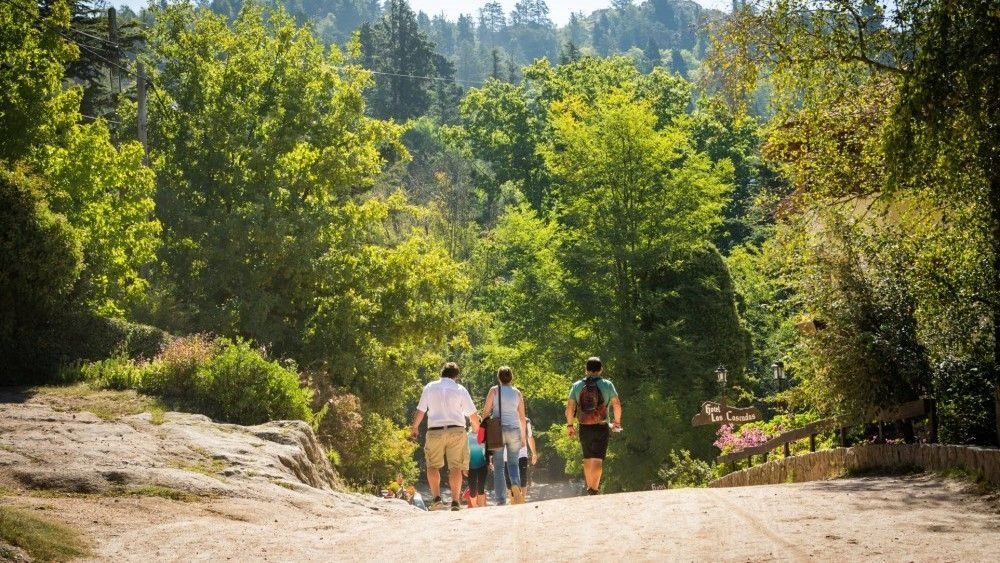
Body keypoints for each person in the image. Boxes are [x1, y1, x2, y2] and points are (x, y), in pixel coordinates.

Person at [410, 362, 481, 511]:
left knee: (432, 465)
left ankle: (437, 500)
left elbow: (421, 410)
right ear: (456, 376)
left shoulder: (430, 387)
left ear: (442, 372)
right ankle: (455, 502)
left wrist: (415, 427)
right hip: (457, 431)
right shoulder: (460, 389)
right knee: (456, 467)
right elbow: (473, 415)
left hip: (435, 431)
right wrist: (477, 429)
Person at [565, 356, 621, 495]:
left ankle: (590, 487)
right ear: (601, 369)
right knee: (597, 458)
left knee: (587, 458)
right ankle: (594, 489)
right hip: (601, 426)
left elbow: (570, 407)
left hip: (584, 427)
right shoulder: (607, 385)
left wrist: (570, 425)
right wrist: (617, 422)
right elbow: (616, 404)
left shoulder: (577, 385)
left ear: (586, 369)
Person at [482, 366, 527, 505]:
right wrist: (523, 438)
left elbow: (485, 412)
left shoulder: (494, 390)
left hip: (498, 431)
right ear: (511, 377)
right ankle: (516, 487)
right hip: (514, 430)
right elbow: (522, 417)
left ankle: (501, 499)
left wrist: (485, 425)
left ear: (498, 377)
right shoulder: (517, 393)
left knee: (499, 466)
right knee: (513, 463)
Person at [504, 417, 538, 499]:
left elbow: (530, 437)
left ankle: (522, 499)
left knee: (523, 477)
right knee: (508, 480)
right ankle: (513, 500)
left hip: (521, 453)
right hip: (506, 455)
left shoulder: (526, 420)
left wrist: (534, 453)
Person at [466, 429, 488, 508]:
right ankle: (474, 506)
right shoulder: (467, 436)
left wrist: (489, 462)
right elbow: (464, 452)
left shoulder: (483, 434)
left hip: (483, 465)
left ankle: (481, 508)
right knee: (472, 490)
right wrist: (464, 467)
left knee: (481, 487)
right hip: (470, 466)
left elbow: (488, 450)